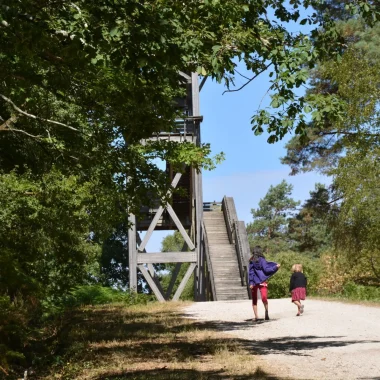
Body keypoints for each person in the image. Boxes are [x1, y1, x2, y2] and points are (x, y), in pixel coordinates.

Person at [249, 246, 281, 321]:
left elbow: (251, 272)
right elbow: (266, 270)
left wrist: (250, 282)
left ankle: (256, 316)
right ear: (260, 252)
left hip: (253, 282)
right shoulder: (262, 260)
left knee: (254, 299)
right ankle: (266, 311)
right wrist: (275, 267)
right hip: (262, 281)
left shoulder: (251, 260)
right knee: (264, 297)